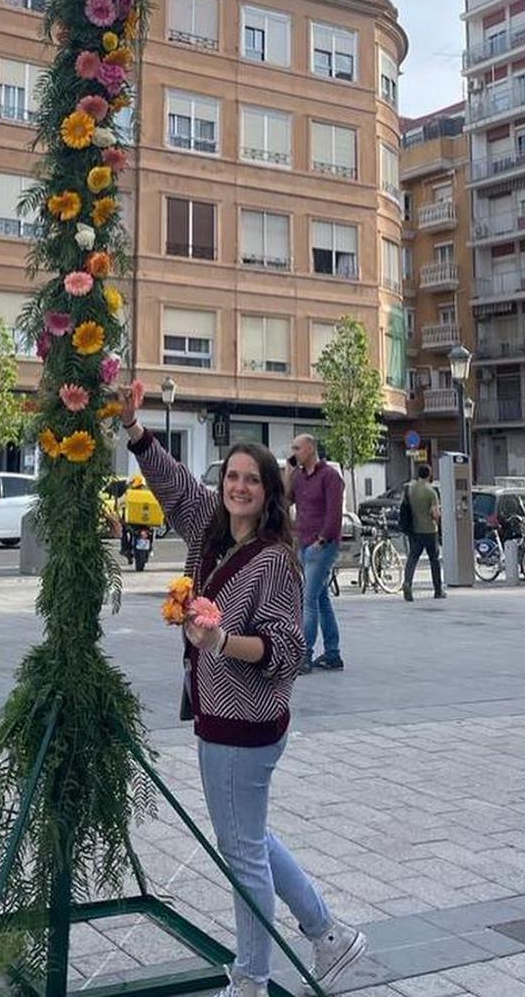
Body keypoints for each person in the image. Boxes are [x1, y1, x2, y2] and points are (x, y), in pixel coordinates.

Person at [118, 387, 365, 997]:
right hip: (218, 715)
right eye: (232, 477)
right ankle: (328, 935)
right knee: (248, 838)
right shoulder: (211, 527)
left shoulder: (276, 560)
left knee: (243, 854)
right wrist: (134, 427)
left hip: (245, 723)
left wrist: (222, 641)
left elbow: (284, 651)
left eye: (252, 480)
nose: (239, 488)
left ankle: (252, 978)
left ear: (269, 491)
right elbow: (173, 484)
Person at [288, 434, 345, 673]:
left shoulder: (330, 476)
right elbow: (285, 499)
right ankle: (332, 654)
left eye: (297, 448)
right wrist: (288, 471)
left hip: (321, 546)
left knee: (307, 600)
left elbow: (334, 512)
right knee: (321, 600)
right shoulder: (299, 477)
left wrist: (322, 540)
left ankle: (305, 655)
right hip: (304, 543)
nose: (294, 453)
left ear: (311, 448)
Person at [403, 463, 445, 602]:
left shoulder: (410, 488)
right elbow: (435, 513)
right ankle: (438, 590)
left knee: (412, 558)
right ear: (429, 474)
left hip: (414, 529)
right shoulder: (431, 492)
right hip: (429, 530)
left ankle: (407, 583)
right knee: (434, 559)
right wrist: (438, 516)